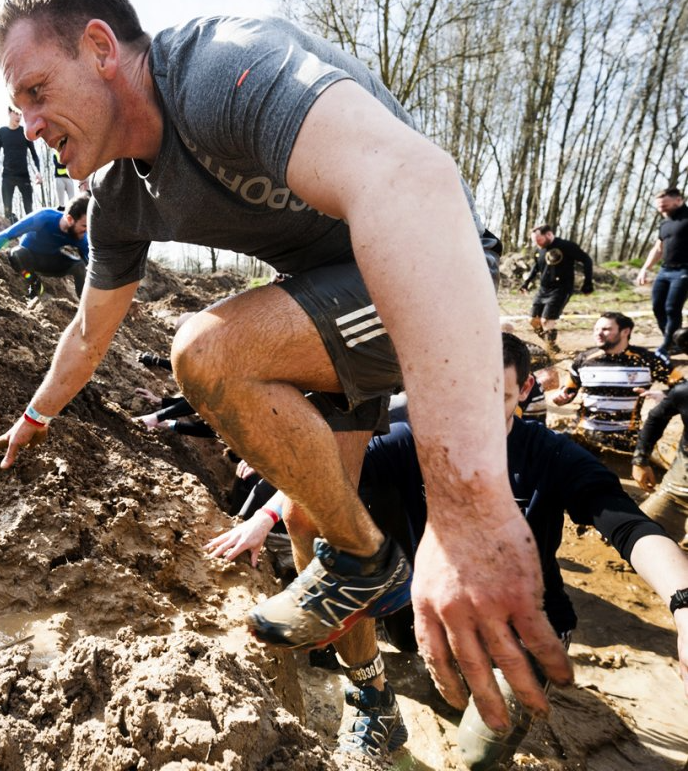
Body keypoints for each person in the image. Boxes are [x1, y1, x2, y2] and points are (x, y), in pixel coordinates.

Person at [0, 0, 572, 733]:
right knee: (309, 524)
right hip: (324, 295)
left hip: (431, 268)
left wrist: (467, 510)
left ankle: (372, 558)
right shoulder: (118, 199)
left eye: (36, 90)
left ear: (99, 47)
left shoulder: (225, 68)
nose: (27, 124)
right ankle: (374, 700)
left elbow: (414, 181)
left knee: (208, 353)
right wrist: (36, 414)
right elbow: (89, 332)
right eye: (16, 106)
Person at [208, 333, 688, 763]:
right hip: (433, 608)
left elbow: (629, 527)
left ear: (524, 392)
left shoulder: (552, 456)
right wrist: (266, 517)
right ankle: (376, 693)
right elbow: (331, 470)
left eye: (493, 396)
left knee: (478, 755)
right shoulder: (416, 441)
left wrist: (683, 604)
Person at [552, 312, 671, 452]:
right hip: (583, 434)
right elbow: (568, 391)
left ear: (625, 331)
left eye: (605, 329)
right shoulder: (584, 359)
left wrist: (665, 395)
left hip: (626, 437)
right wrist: (561, 398)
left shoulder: (648, 360)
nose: (598, 333)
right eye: (596, 329)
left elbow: (683, 388)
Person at [0, 192, 90, 300]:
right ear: (69, 219)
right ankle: (35, 285)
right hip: (28, 259)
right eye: (84, 226)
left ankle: (85, 305)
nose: (87, 230)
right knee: (17, 253)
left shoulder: (81, 237)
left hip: (52, 261)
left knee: (79, 266)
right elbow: (5, 236)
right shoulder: (44, 218)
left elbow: (93, 265)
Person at [632, 327, 688, 549]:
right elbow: (655, 419)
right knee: (638, 535)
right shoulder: (683, 393)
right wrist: (640, 460)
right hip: (679, 486)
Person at [520, 225, 594, 354]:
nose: (537, 243)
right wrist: (526, 283)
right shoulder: (539, 250)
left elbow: (587, 260)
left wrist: (587, 283)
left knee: (546, 321)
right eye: (534, 241)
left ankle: (551, 351)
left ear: (548, 234)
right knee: (533, 321)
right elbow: (536, 267)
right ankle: (552, 345)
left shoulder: (566, 246)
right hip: (543, 290)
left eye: (539, 239)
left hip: (561, 289)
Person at [636, 187, 688, 361]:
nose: (661, 209)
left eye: (664, 205)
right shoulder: (664, 223)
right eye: (659, 206)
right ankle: (676, 341)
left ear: (678, 200)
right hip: (665, 270)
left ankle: (666, 345)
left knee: (672, 308)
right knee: (657, 307)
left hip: (684, 270)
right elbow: (658, 248)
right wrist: (645, 268)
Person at [0, 106, 42, 220]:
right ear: (9, 113)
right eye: (16, 113)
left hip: (23, 176)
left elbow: (34, 154)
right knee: (7, 212)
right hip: (7, 176)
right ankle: (12, 234)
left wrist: (38, 172)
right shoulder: (1, 132)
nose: (19, 117)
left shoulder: (25, 132)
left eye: (20, 114)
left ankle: (30, 234)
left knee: (29, 210)